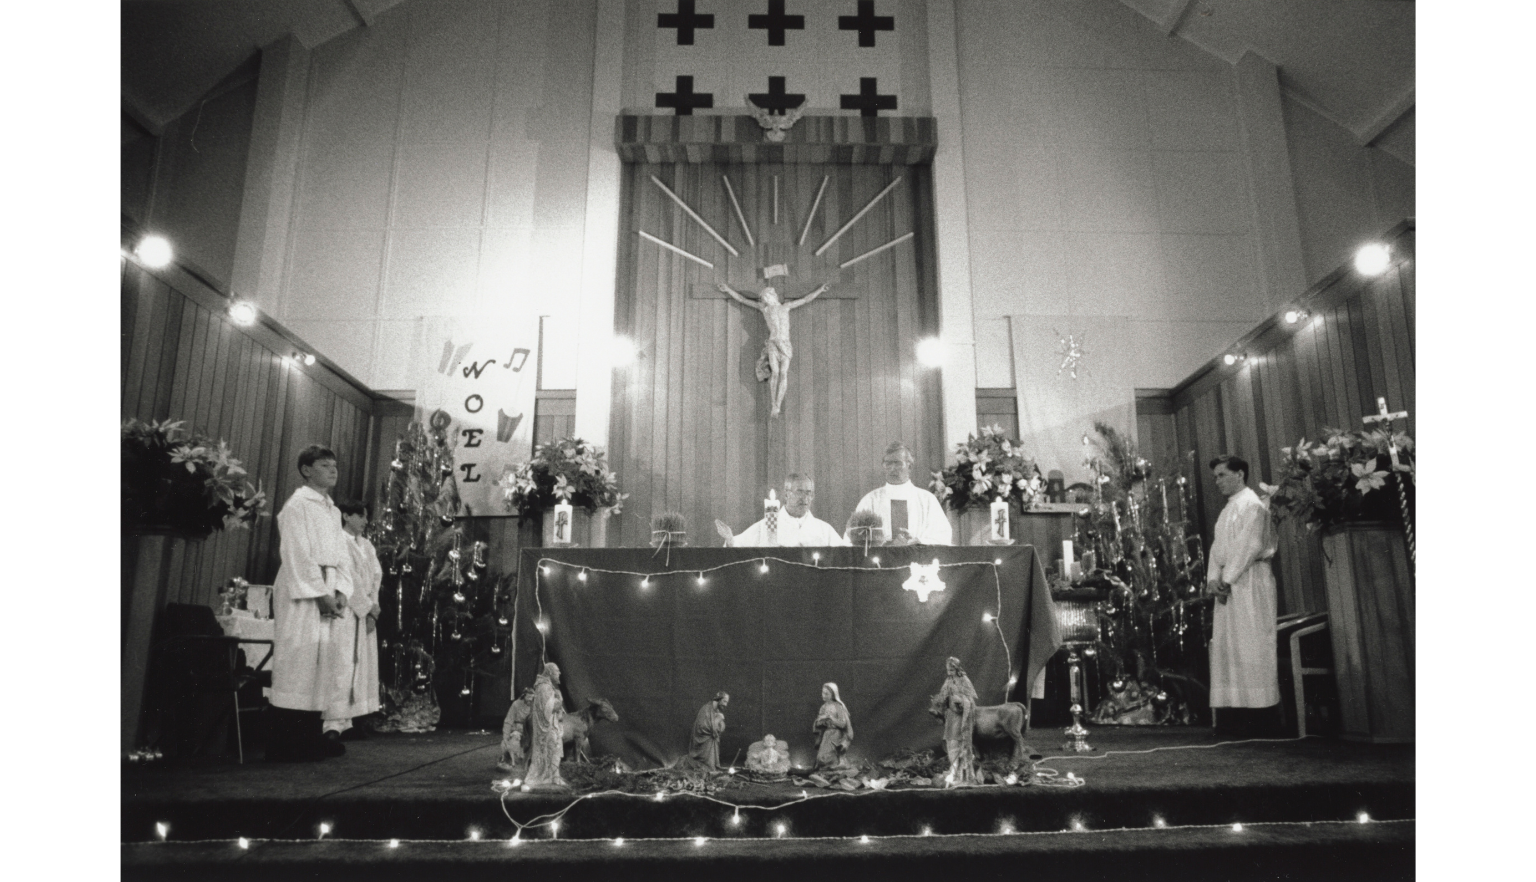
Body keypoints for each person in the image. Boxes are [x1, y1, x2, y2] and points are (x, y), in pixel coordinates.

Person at [268, 445, 353, 761]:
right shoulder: (297, 505)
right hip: (302, 589)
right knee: (298, 661)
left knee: (321, 662)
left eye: (334, 465)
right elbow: (296, 552)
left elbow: (341, 554)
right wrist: (319, 594)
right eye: (324, 465)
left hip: (328, 585)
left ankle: (308, 738)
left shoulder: (331, 510)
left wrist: (342, 589)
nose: (332, 470)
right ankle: (283, 744)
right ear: (306, 470)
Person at [1205, 455, 1281, 737]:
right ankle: (1234, 718)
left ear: (1240, 474)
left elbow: (1249, 546)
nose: (1217, 482)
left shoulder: (1253, 506)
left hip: (1249, 583)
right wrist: (1213, 579)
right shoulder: (1228, 510)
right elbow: (1217, 549)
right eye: (1215, 477)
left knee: (1252, 645)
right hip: (1229, 586)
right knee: (1230, 648)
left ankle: (1261, 721)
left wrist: (1225, 580)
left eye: (1222, 475)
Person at [718, 281, 828, 417]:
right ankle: (774, 405)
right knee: (775, 372)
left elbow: (805, 300)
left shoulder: (786, 306)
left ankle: (778, 404)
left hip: (785, 344)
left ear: (772, 296)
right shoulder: (764, 309)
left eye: (766, 297)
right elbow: (742, 299)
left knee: (783, 373)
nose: (764, 300)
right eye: (763, 298)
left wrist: (820, 290)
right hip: (773, 343)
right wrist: (728, 290)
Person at [323, 500, 382, 742]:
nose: (366, 521)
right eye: (361, 516)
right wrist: (366, 608)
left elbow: (376, 576)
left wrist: (374, 608)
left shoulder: (366, 545)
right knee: (343, 664)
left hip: (366, 611)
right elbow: (350, 579)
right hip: (347, 609)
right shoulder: (338, 541)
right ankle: (334, 721)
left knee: (362, 665)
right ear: (346, 516)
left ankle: (354, 718)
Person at [848, 442, 952, 546]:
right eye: (888, 463)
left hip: (920, 558)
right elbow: (853, 538)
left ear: (909, 466)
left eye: (897, 463)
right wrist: (886, 545)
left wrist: (918, 541)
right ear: (883, 466)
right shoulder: (870, 500)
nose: (892, 468)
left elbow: (943, 536)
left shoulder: (927, 499)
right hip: (880, 560)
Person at [714, 474, 847, 547]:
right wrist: (730, 540)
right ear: (786, 494)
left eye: (809, 493)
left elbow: (844, 554)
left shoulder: (824, 529)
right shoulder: (768, 525)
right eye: (800, 492)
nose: (805, 498)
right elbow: (739, 546)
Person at [938, 657, 980, 785]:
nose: (949, 671)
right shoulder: (948, 680)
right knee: (950, 741)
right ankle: (953, 768)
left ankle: (958, 771)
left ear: (956, 668)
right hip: (951, 716)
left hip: (961, 717)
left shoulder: (964, 680)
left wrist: (961, 701)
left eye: (952, 669)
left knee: (957, 742)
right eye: (948, 669)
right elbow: (942, 696)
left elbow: (971, 700)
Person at [525, 663, 567, 788]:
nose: (559, 673)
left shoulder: (548, 687)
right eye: (557, 671)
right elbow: (550, 709)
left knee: (555, 749)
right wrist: (560, 700)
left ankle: (554, 777)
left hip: (552, 725)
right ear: (549, 672)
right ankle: (546, 777)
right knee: (552, 749)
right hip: (547, 728)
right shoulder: (544, 688)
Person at [812, 682, 854, 770]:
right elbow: (819, 723)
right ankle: (829, 770)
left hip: (836, 734)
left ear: (833, 694)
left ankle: (837, 765)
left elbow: (842, 724)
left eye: (826, 693)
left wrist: (830, 717)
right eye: (823, 693)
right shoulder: (823, 707)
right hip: (827, 734)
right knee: (820, 759)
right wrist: (820, 722)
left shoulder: (838, 706)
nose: (823, 695)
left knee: (827, 758)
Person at [498, 687, 536, 772]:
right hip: (516, 729)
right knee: (511, 745)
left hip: (529, 730)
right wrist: (506, 736)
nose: (530, 700)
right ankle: (508, 760)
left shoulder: (534, 705)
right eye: (528, 698)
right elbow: (508, 720)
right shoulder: (516, 704)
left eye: (532, 698)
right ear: (524, 696)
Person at [689, 691, 729, 770]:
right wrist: (717, 720)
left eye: (726, 702)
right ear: (719, 699)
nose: (725, 705)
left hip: (711, 742)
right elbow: (702, 727)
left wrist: (719, 722)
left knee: (712, 768)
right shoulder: (706, 709)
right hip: (703, 743)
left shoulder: (716, 711)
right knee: (709, 768)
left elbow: (720, 728)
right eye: (724, 701)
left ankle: (712, 766)